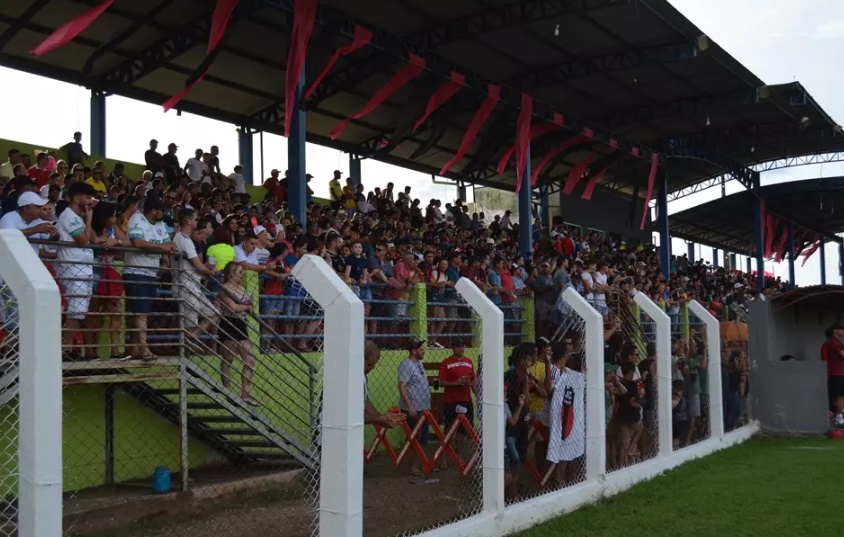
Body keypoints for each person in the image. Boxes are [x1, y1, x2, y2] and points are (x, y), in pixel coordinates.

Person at [124, 194, 173, 360]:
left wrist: (165, 261)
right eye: (160, 210)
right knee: (140, 312)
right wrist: (161, 248)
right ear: (153, 211)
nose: (162, 214)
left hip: (151, 273)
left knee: (142, 312)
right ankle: (143, 349)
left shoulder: (160, 224)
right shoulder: (137, 219)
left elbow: (168, 246)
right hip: (136, 272)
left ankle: (136, 349)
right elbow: (137, 242)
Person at [55, 182, 98, 361]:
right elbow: (83, 241)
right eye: (87, 197)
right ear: (76, 198)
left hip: (82, 269)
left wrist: (87, 218)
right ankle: (64, 349)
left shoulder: (77, 216)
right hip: (73, 269)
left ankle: (68, 348)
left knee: (78, 311)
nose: (90, 201)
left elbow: (93, 238)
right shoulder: (69, 216)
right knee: (75, 311)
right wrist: (88, 220)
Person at [173, 209, 219, 351]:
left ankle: (193, 337)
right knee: (190, 323)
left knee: (214, 314)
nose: (197, 222)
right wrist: (210, 271)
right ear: (188, 221)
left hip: (193, 285)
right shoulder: (182, 239)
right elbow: (198, 266)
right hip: (185, 285)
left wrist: (206, 270)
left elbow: (197, 266)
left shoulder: (185, 239)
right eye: (195, 219)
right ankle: (187, 353)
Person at [217, 262, 259, 406]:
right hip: (229, 324)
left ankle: (246, 393)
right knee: (228, 358)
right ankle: (227, 390)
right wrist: (246, 306)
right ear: (232, 273)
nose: (242, 275)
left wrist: (249, 306)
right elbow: (233, 307)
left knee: (250, 358)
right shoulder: (224, 288)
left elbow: (246, 308)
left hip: (241, 324)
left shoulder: (241, 288)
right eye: (240, 272)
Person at [546, 341, 586, 486]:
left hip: (567, 412)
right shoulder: (553, 370)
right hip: (556, 414)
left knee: (569, 442)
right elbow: (550, 389)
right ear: (564, 355)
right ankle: (558, 478)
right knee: (561, 444)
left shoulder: (567, 371)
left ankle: (568, 476)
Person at [437, 338, 477, 469]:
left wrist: (477, 396)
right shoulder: (446, 363)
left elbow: (472, 382)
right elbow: (441, 382)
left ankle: (457, 455)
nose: (461, 349)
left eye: (463, 346)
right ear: (453, 348)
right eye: (458, 346)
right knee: (448, 430)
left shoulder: (469, 362)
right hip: (452, 402)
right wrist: (455, 383)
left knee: (462, 431)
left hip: (466, 401)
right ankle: (443, 458)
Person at [397, 337, 432, 480]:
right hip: (414, 407)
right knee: (415, 437)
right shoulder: (406, 365)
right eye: (420, 349)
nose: (423, 350)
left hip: (423, 406)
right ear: (413, 351)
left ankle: (416, 463)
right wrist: (410, 405)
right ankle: (412, 465)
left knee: (423, 437)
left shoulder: (419, 364)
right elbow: (402, 386)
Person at [364, 340, 406, 428]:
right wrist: (379, 420)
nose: (373, 368)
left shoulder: (363, 375)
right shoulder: (348, 379)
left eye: (374, 365)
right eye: (369, 365)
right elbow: (349, 416)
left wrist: (383, 419)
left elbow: (365, 402)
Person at [823, 323, 844, 426]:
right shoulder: (835, 343)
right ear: (835, 331)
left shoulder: (830, 342)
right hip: (838, 373)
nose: (843, 332)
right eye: (841, 330)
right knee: (841, 396)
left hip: (834, 373)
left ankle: (837, 417)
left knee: (836, 396)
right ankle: (839, 418)